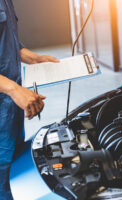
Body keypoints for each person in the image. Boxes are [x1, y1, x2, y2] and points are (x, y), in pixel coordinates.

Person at [0, 0, 59, 199]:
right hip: (6, 102)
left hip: (9, 111)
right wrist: (13, 89)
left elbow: (5, 42)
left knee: (14, 177)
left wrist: (33, 58)